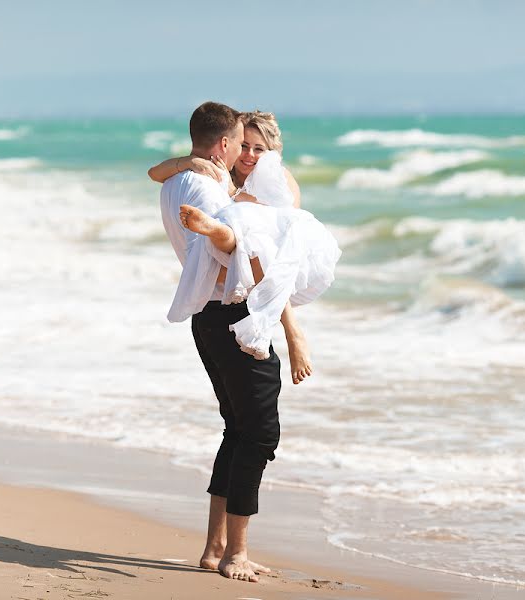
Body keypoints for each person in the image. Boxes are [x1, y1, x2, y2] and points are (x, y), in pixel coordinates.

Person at [157, 101, 279, 583]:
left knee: (238, 428)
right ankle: (235, 555)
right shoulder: (207, 189)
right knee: (259, 434)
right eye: (241, 145)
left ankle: (215, 548)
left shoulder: (177, 181)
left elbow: (159, 171)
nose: (246, 154)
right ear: (225, 144)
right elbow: (224, 251)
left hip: (209, 318)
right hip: (234, 317)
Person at [149, 111, 340, 384]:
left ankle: (293, 332)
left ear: (271, 151)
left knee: (256, 239)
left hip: (278, 259)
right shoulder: (223, 170)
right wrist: (190, 162)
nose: (249, 155)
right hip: (236, 279)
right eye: (245, 146)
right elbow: (154, 173)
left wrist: (233, 194)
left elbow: (282, 232)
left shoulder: (278, 177)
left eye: (259, 149)